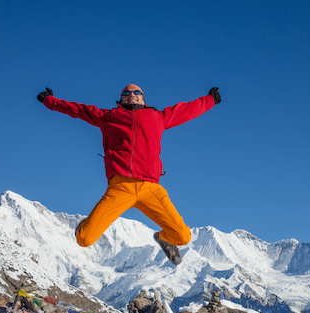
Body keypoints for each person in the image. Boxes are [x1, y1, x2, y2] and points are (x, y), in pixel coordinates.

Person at [37, 84, 221, 265]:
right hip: (120, 187)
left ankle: (164, 238)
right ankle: (85, 225)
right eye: (126, 92)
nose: (131, 94)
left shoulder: (158, 117)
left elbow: (187, 110)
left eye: (137, 92)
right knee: (84, 239)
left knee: (182, 236)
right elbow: (77, 110)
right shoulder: (108, 117)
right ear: (121, 99)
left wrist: (210, 100)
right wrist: (49, 100)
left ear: (143, 99)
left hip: (150, 189)